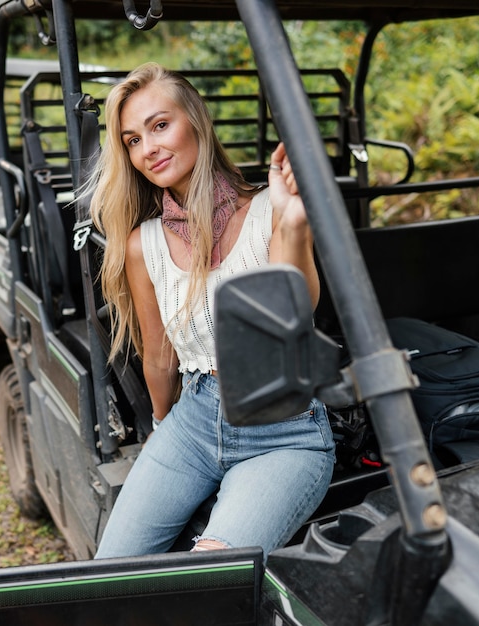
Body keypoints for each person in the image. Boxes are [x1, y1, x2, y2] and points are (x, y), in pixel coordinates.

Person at [86, 62, 335, 560]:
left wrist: (295, 223)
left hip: (282, 430)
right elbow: (159, 358)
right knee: (108, 574)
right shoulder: (143, 244)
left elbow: (295, 308)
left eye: (160, 125)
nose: (148, 148)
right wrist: (161, 430)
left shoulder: (271, 210)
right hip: (193, 422)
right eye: (133, 140)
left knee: (209, 580)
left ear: (196, 120)